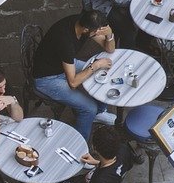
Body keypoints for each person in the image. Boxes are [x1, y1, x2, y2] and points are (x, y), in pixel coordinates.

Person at [31, 9, 117, 142]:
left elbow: (110, 49)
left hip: (64, 63)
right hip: (47, 79)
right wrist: (94, 66)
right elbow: (73, 83)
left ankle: (98, 113)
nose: (99, 34)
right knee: (89, 108)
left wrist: (109, 34)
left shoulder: (84, 22)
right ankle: (79, 144)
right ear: (87, 30)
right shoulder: (65, 41)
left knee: (104, 73)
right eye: (97, 32)